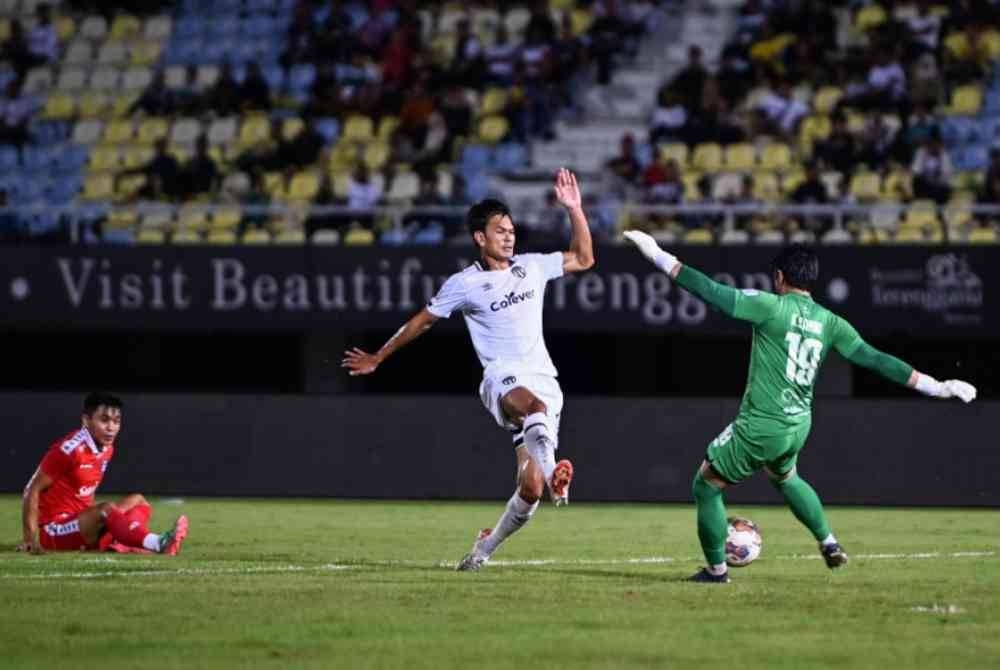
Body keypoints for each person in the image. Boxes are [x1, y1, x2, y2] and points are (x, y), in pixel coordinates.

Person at [622, 234, 977, 583]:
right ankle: (829, 542)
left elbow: (711, 292)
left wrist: (657, 254)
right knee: (785, 477)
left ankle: (716, 572)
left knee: (707, 486)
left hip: (763, 424)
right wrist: (937, 386)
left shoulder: (770, 307)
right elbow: (875, 359)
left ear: (779, 277)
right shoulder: (830, 322)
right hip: (798, 424)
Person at [342, 169, 595, 571]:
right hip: (501, 379)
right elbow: (422, 321)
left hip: (545, 382)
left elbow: (584, 258)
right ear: (480, 238)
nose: (509, 236)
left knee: (528, 490)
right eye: (500, 230)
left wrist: (575, 210)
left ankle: (483, 549)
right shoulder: (464, 284)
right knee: (533, 411)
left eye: (511, 230)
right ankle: (557, 479)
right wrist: (379, 355)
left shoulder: (531, 266)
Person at [18, 392, 188, 555]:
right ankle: (158, 543)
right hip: (54, 530)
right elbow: (31, 490)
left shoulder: (107, 448)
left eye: (116, 421)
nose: (111, 428)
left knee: (138, 501)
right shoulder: (69, 450)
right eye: (104, 420)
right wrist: (30, 539)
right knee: (106, 510)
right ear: (86, 420)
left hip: (82, 523)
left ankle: (121, 541)